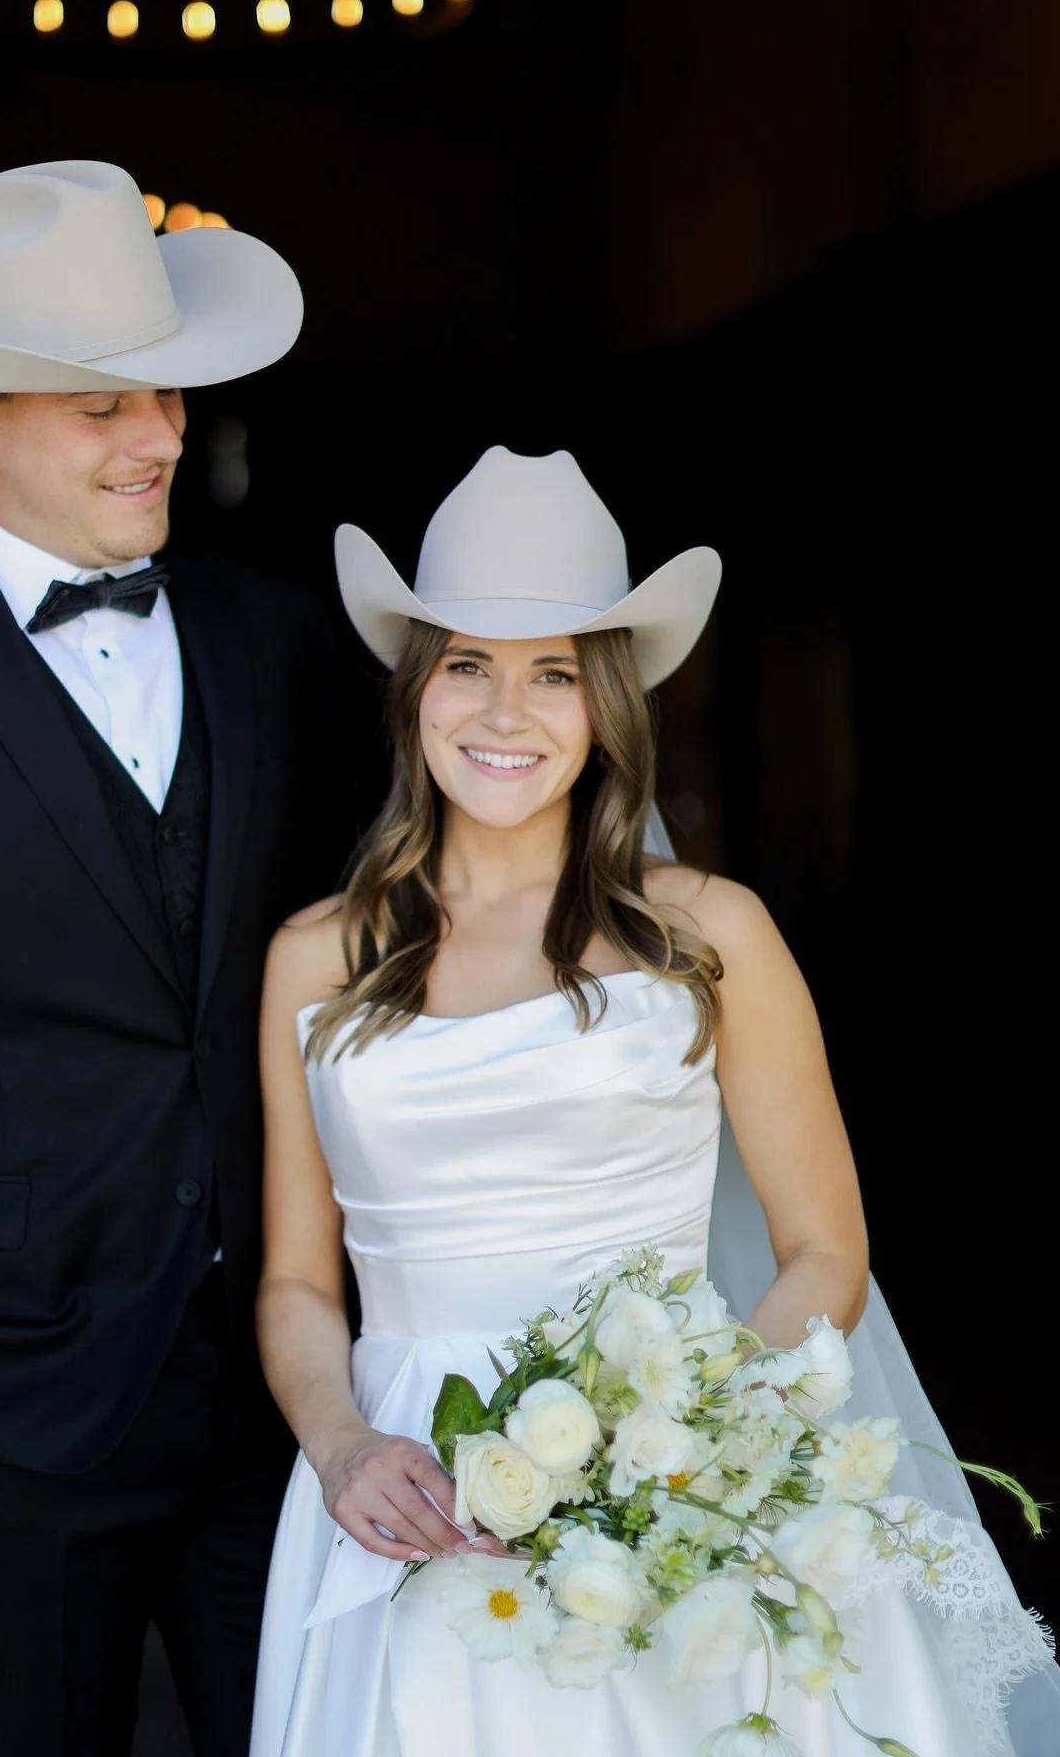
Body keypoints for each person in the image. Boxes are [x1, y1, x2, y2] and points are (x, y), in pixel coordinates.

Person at [249, 447, 1056, 1756]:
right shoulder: (313, 956)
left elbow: (825, 1252)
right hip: (404, 1499)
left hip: (677, 1490)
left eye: (554, 673)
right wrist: (343, 1447)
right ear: (415, 688)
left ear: (607, 705)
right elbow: (296, 1279)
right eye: (468, 663)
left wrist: (682, 1449)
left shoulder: (709, 935)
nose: (505, 712)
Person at [0, 159, 340, 1757]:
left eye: (166, 394)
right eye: (102, 406)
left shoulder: (274, 640)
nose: (157, 436)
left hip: (279, 1395)